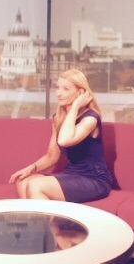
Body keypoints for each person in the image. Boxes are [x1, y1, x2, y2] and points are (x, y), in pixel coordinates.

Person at [10, 69, 112, 203]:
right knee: (22, 182)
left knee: (35, 185)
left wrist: (75, 107)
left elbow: (64, 140)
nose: (59, 93)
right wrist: (31, 168)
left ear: (80, 93)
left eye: (66, 89)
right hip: (71, 173)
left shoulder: (90, 118)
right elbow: (52, 156)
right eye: (57, 88)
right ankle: (43, 217)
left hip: (94, 178)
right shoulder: (59, 118)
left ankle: (48, 218)